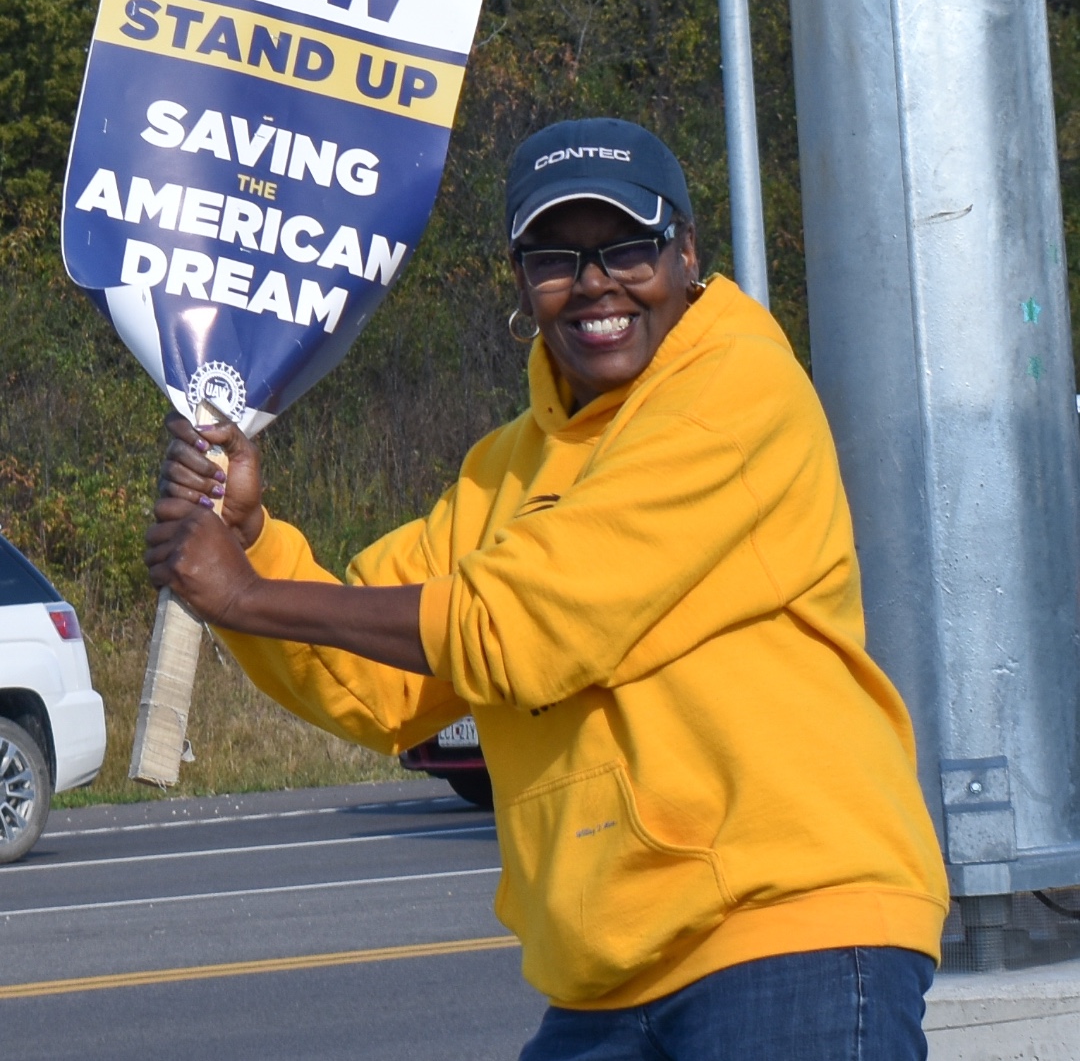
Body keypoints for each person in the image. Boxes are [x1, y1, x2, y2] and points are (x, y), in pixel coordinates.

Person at [147, 117, 949, 1059]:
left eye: (627, 248)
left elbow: (522, 625)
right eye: (556, 259)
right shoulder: (506, 469)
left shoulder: (737, 393)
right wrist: (257, 542)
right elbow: (380, 690)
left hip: (790, 937)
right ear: (523, 283)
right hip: (607, 981)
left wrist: (244, 597)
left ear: (687, 253)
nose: (596, 283)